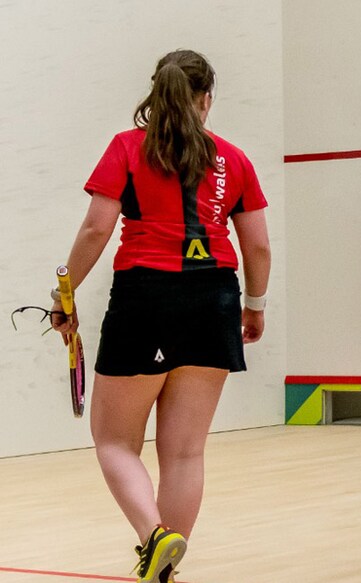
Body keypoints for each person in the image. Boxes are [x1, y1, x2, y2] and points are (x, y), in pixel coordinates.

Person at [51, 50, 271, 583]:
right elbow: (259, 248)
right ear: (207, 99)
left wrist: (65, 296)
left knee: (115, 442)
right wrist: (254, 306)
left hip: (145, 300)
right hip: (216, 298)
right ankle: (165, 567)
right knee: (185, 453)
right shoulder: (235, 158)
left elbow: (95, 230)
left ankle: (155, 538)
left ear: (158, 92)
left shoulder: (128, 147)